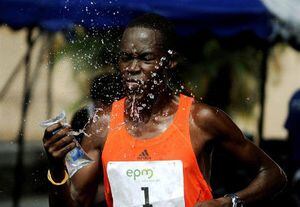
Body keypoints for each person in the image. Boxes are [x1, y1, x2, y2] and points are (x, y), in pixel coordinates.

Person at [43, 13, 287, 207]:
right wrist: (56, 168)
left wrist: (229, 202)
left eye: (146, 58)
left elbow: (273, 175)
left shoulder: (200, 120)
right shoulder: (103, 124)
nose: (132, 67)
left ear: (169, 62)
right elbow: (74, 202)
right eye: (126, 58)